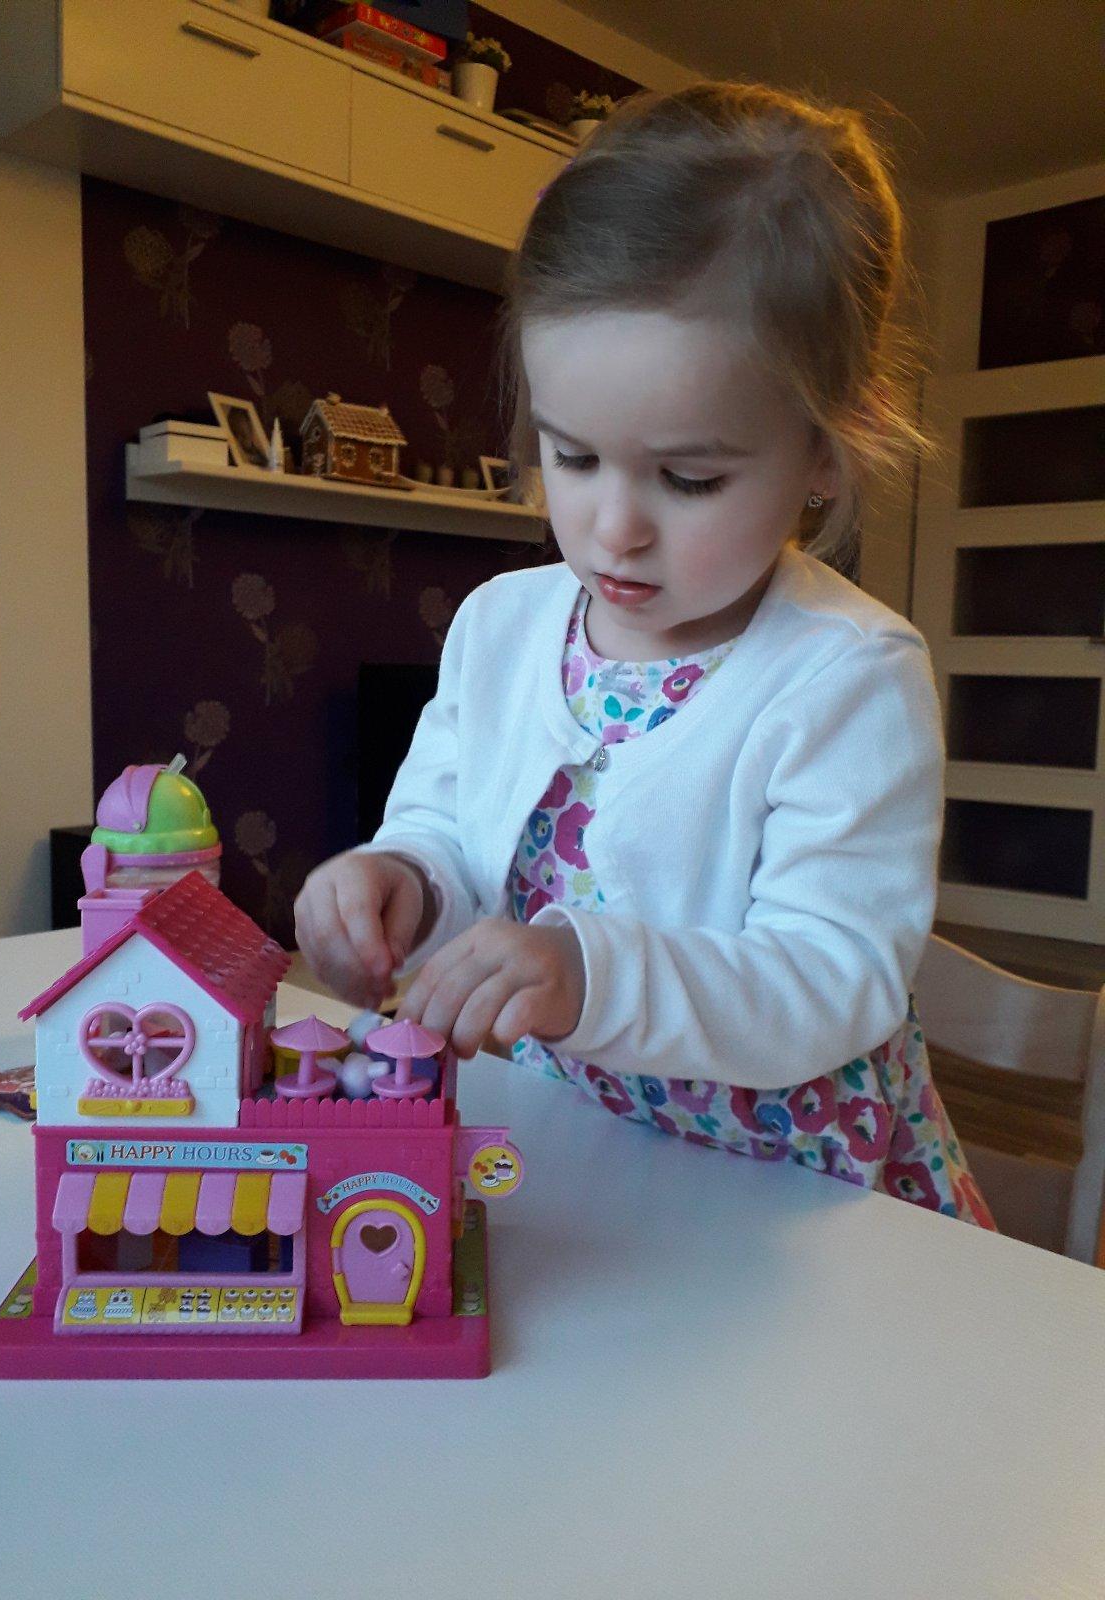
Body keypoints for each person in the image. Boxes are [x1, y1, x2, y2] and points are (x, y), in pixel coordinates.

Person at [295, 81, 996, 1227]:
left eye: (689, 478)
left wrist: (591, 975)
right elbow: (450, 836)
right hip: (577, 1146)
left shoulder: (849, 676)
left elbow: (834, 977)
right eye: (572, 457)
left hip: (783, 1196)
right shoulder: (498, 627)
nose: (614, 528)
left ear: (828, 447)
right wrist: (402, 884)